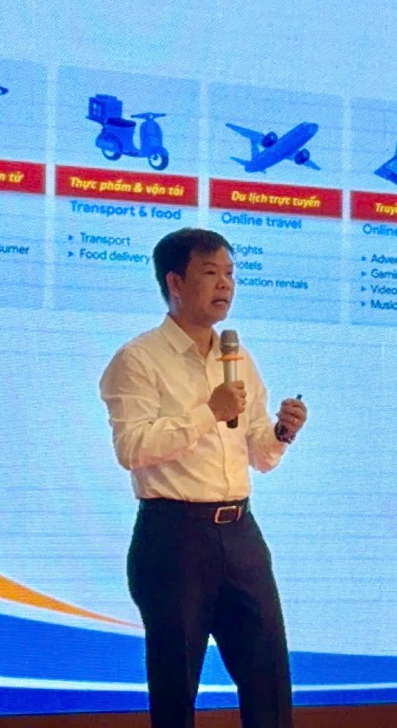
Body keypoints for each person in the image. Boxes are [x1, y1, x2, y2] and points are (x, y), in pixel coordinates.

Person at [99, 227, 307, 728]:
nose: (225, 285)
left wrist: (282, 431)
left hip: (241, 533)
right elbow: (132, 448)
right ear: (175, 282)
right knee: (176, 688)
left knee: (269, 679)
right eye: (211, 273)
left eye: (231, 274)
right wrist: (207, 412)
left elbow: (258, 452)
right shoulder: (138, 359)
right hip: (174, 536)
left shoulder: (239, 358)